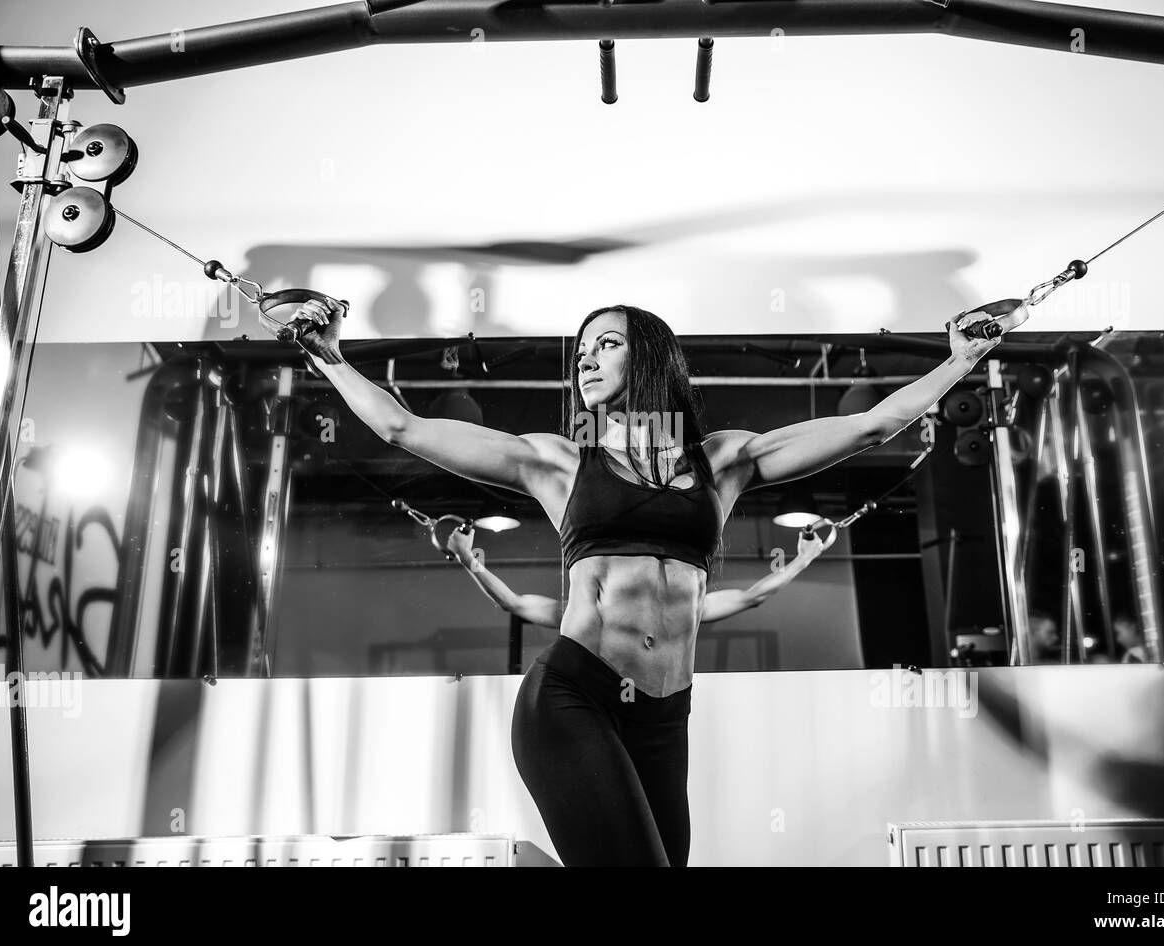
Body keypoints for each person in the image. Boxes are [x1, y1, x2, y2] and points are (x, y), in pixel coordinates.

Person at [285, 298, 1025, 866]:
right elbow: (403, 429)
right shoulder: (557, 462)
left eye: (607, 343)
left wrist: (960, 360)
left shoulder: (723, 460)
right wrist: (329, 356)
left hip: (666, 718)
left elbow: (874, 426)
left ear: (651, 359)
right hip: (575, 700)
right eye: (581, 351)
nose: (587, 360)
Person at [443, 521, 837, 629]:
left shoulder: (686, 609)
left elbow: (754, 595)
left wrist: (803, 560)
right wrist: (468, 560)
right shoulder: (585, 614)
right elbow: (511, 602)